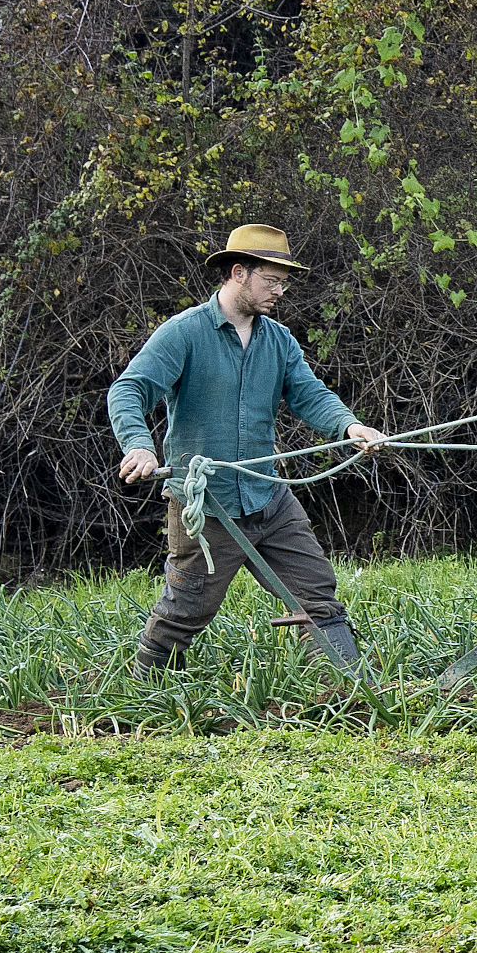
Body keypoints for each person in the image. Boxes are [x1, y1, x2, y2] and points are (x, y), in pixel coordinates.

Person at [109, 224, 389, 669]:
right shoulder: (184, 332)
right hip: (208, 505)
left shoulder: (278, 339)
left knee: (316, 594)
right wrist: (140, 447)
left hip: (267, 498)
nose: (280, 291)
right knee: (186, 611)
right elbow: (129, 389)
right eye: (271, 280)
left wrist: (349, 427)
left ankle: (349, 691)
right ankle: (140, 692)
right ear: (238, 272)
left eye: (284, 282)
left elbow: (309, 394)